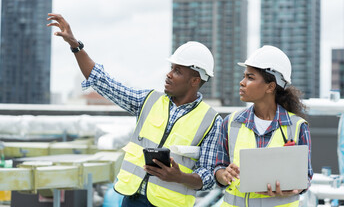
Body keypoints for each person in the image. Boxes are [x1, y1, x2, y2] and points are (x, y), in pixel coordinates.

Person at [47, 13, 222, 207]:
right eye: (171, 68)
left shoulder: (212, 121)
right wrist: (75, 46)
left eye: (177, 71)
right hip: (132, 199)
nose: (168, 74)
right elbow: (102, 81)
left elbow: (208, 177)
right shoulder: (149, 100)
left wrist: (179, 176)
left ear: (195, 80)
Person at [214, 45, 313, 207]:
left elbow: (306, 177)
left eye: (250, 77)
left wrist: (294, 188)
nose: (242, 82)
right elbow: (218, 167)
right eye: (244, 76)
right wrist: (223, 174)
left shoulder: (298, 127)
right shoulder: (231, 123)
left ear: (270, 86)